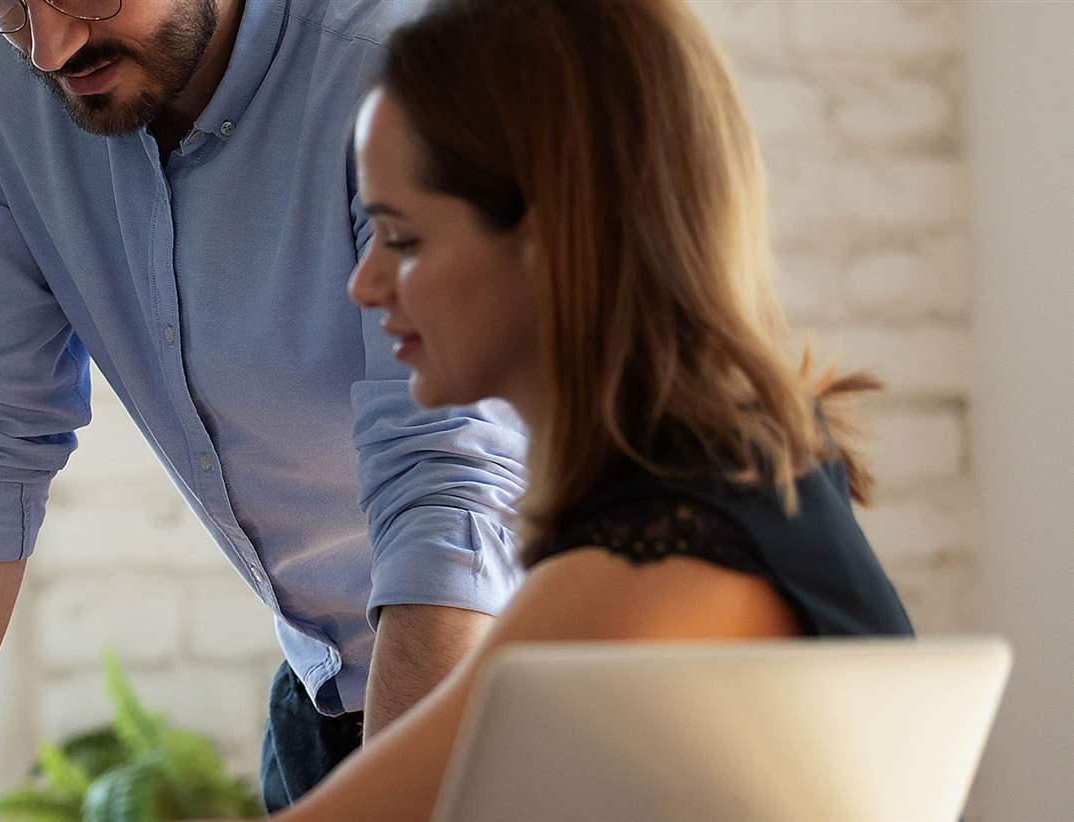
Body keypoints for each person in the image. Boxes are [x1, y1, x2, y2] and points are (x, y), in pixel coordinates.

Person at [234, 1, 916, 818]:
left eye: (404, 240)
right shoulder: (756, 476)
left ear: (555, 237)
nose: (363, 285)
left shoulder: (656, 557)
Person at [0, 0, 529, 815]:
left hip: (516, 707)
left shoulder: (403, 60)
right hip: (324, 690)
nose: (46, 47)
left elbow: (452, 489)